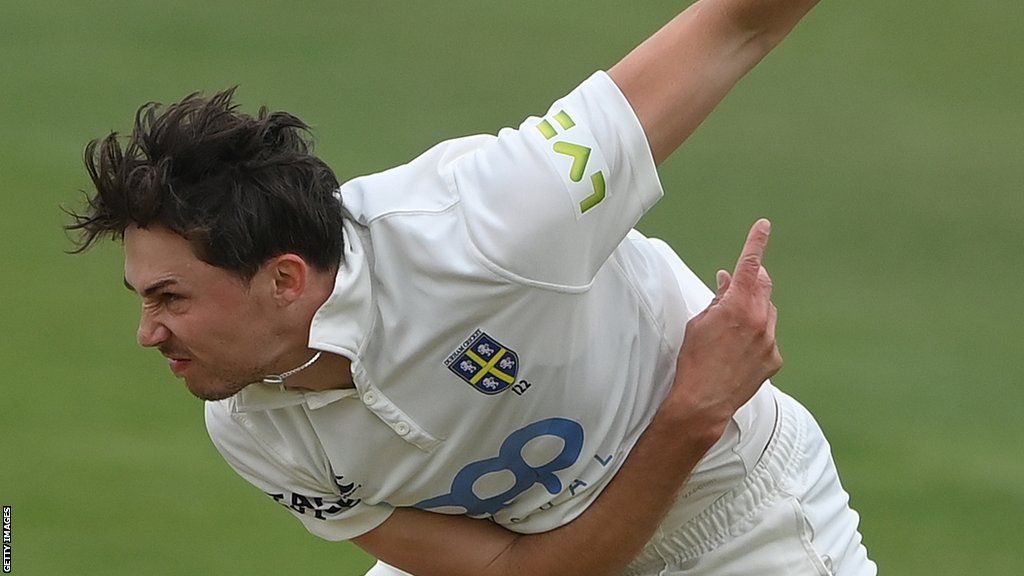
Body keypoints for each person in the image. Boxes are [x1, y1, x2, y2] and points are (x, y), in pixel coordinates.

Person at [67, 0, 876, 574]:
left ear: (283, 280)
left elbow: (736, 23)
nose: (149, 332)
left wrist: (703, 423)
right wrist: (688, 414)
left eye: (169, 298)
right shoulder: (253, 431)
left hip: (732, 518)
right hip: (564, 526)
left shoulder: (497, 215)